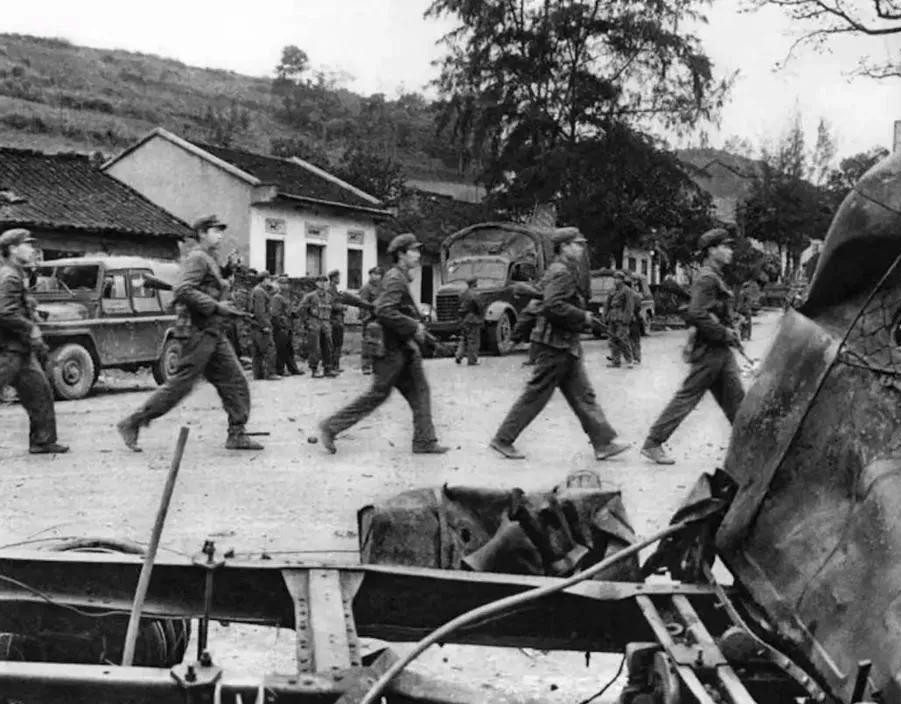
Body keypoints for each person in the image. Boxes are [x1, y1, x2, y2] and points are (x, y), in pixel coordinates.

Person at [116, 215, 263, 452]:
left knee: (235, 382)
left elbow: (206, 286)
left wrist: (226, 271)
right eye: (215, 231)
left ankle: (237, 433)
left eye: (221, 231)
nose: (220, 236)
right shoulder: (197, 258)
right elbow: (184, 290)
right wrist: (217, 307)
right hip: (198, 332)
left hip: (213, 331)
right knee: (180, 385)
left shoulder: (209, 259)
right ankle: (133, 422)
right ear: (202, 233)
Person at [489, 227, 628, 461]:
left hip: (565, 343)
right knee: (537, 395)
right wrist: (582, 316)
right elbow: (552, 305)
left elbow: (536, 303)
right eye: (576, 244)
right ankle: (503, 439)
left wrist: (517, 336)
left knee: (583, 395)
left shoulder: (556, 270)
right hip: (555, 344)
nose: (581, 249)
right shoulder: (562, 272)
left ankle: (603, 443)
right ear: (563, 247)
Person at [318, 233, 448, 455]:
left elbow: (385, 308)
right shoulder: (395, 278)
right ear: (401, 254)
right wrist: (413, 326)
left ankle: (425, 440)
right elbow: (385, 310)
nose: (418, 255)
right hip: (390, 349)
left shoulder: (398, 277)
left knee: (420, 392)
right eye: (414, 250)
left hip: (402, 348)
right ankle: (331, 426)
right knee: (378, 394)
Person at [640, 228, 744, 465]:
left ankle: (750, 444)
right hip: (709, 351)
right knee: (688, 397)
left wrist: (729, 330)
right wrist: (724, 332)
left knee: (736, 400)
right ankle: (653, 442)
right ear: (711, 251)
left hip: (719, 350)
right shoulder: (707, 279)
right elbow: (697, 313)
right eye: (725, 247)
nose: (730, 251)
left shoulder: (714, 276)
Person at [0, 228, 68, 454]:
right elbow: (5, 312)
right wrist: (31, 328)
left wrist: (33, 315)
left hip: (20, 350)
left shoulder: (16, 273)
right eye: (27, 244)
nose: (32, 249)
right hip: (7, 351)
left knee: (40, 392)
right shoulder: (9, 276)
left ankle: (42, 441)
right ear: (12, 249)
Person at [299, 276, 336, 378]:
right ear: (316, 283)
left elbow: (333, 310)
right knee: (315, 347)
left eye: (325, 282)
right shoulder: (310, 296)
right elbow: (301, 309)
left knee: (328, 346)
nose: (323, 284)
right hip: (314, 322)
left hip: (326, 322)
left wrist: (331, 322)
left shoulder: (329, 297)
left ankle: (328, 368)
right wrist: (307, 321)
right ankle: (314, 369)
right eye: (321, 281)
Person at [250, 271, 280, 381]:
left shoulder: (257, 290)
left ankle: (258, 374)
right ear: (265, 279)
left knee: (257, 351)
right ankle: (270, 373)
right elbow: (260, 311)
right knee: (269, 349)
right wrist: (265, 325)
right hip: (261, 325)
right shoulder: (260, 292)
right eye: (269, 279)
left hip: (255, 325)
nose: (270, 281)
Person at [271, 275, 303, 376]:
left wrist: (294, 314)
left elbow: (287, 311)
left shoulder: (286, 297)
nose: (285, 286)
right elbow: (275, 314)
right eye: (282, 283)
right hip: (281, 327)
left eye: (286, 283)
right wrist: (280, 326)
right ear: (279, 285)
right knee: (281, 349)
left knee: (289, 349)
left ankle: (293, 369)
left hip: (288, 326)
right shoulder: (277, 297)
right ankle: (280, 370)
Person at [605, 271, 634, 368]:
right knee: (612, 339)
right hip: (612, 316)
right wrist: (605, 316)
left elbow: (629, 306)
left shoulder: (627, 290)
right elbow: (607, 304)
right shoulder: (612, 290)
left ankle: (629, 360)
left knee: (622, 339)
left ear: (622, 280)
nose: (615, 280)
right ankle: (616, 361)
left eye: (617, 279)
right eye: (614, 278)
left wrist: (626, 319)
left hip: (621, 316)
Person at [358, 266, 384, 375]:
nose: (377, 277)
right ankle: (366, 366)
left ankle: (377, 366)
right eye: (374, 274)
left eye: (379, 274)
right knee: (368, 343)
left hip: (379, 319)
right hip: (369, 318)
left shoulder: (381, 288)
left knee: (378, 343)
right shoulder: (366, 288)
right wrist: (365, 317)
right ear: (370, 275)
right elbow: (362, 304)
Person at [454, 276, 484, 365]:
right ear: (474, 283)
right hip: (473, 319)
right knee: (473, 340)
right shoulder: (475, 294)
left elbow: (458, 306)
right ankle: (472, 360)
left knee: (463, 339)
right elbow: (479, 307)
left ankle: (458, 355)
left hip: (463, 319)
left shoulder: (462, 293)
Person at [626, 273, 644, 365]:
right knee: (634, 339)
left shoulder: (632, 295)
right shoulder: (636, 295)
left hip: (632, 319)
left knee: (631, 338)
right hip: (634, 319)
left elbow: (637, 307)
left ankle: (634, 357)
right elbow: (639, 307)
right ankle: (635, 357)